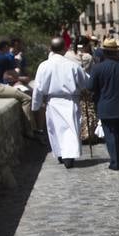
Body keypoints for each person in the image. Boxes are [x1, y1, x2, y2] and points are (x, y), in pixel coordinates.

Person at [31, 36, 91, 168]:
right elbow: (85, 82)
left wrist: (35, 105)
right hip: (70, 101)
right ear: (65, 48)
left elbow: (38, 88)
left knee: (55, 130)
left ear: (50, 49)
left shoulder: (44, 66)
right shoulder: (72, 66)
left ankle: (60, 154)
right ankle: (68, 156)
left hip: (52, 102)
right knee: (70, 129)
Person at [89, 39, 119, 170]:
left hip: (105, 106)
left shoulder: (97, 68)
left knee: (110, 134)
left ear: (104, 52)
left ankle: (116, 162)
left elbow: (90, 87)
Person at [0, 37, 36, 137]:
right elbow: (15, 75)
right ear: (5, 47)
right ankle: (29, 130)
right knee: (27, 98)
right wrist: (18, 61)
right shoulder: (4, 58)